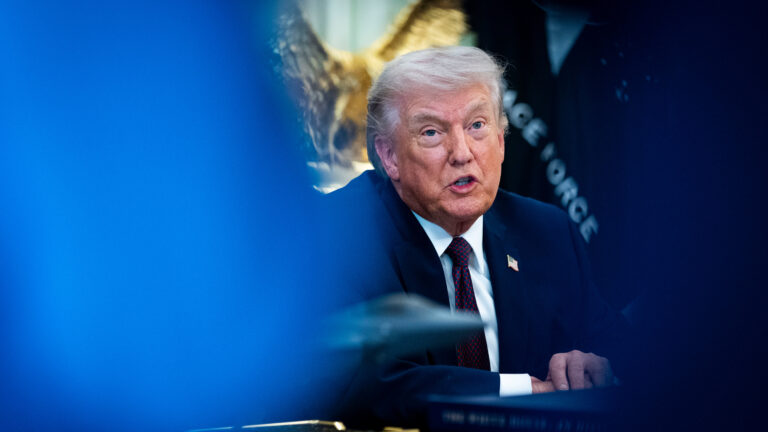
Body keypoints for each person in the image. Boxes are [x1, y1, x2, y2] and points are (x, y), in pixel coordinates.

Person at [322, 46, 630, 427]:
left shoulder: (548, 234)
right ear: (389, 156)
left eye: (477, 126)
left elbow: (626, 352)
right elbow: (356, 383)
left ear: (501, 141)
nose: (462, 153)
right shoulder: (334, 237)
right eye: (432, 132)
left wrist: (596, 365)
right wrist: (523, 392)